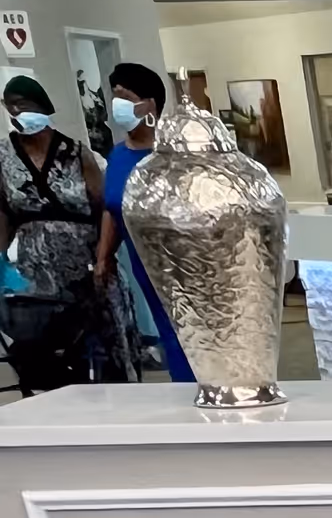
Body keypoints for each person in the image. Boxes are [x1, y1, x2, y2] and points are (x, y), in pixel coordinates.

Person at [0, 72, 138, 383]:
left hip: (88, 264)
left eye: (24, 105)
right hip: (36, 272)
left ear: (42, 107)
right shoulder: (3, 156)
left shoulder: (75, 152)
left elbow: (106, 208)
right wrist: (0, 262)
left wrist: (104, 257)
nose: (18, 113)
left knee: (105, 348)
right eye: (11, 107)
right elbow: (4, 212)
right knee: (42, 354)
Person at [95, 62, 193, 383]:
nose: (117, 104)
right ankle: (186, 388)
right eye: (115, 96)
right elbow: (112, 207)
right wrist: (104, 257)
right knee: (169, 332)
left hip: (182, 262)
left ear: (150, 104)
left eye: (125, 96)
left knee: (190, 330)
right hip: (143, 263)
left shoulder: (175, 153)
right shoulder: (119, 156)